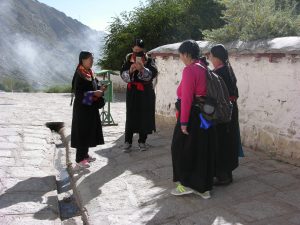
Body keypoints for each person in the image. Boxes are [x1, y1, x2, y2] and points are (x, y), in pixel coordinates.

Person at [170, 40, 216, 199]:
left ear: (186, 54)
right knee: (201, 149)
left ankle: (185, 185)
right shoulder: (204, 67)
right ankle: (204, 189)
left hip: (191, 116)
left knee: (180, 149)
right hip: (205, 115)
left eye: (181, 54)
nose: (181, 57)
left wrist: (183, 123)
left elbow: (188, 98)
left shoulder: (189, 70)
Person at [209, 44, 242, 185]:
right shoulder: (226, 69)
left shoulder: (219, 73)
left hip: (223, 113)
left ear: (216, 57)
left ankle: (224, 176)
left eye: (211, 55)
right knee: (226, 141)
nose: (209, 57)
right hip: (229, 110)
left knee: (222, 142)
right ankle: (225, 173)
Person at [71, 51, 107, 170]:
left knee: (88, 132)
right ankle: (79, 160)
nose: (92, 61)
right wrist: (94, 93)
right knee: (82, 133)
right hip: (82, 109)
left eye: (92, 59)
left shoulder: (90, 72)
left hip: (90, 107)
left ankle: (85, 155)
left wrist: (100, 88)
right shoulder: (79, 74)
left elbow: (94, 85)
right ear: (83, 60)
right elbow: (79, 94)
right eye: (90, 59)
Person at [120, 39, 158, 152]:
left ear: (143, 50)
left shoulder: (149, 60)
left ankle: (142, 141)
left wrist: (142, 69)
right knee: (131, 115)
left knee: (144, 115)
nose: (137, 52)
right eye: (135, 50)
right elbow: (123, 75)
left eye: (139, 50)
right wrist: (130, 70)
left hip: (146, 92)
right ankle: (128, 141)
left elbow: (153, 74)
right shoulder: (128, 60)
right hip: (132, 91)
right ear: (132, 49)